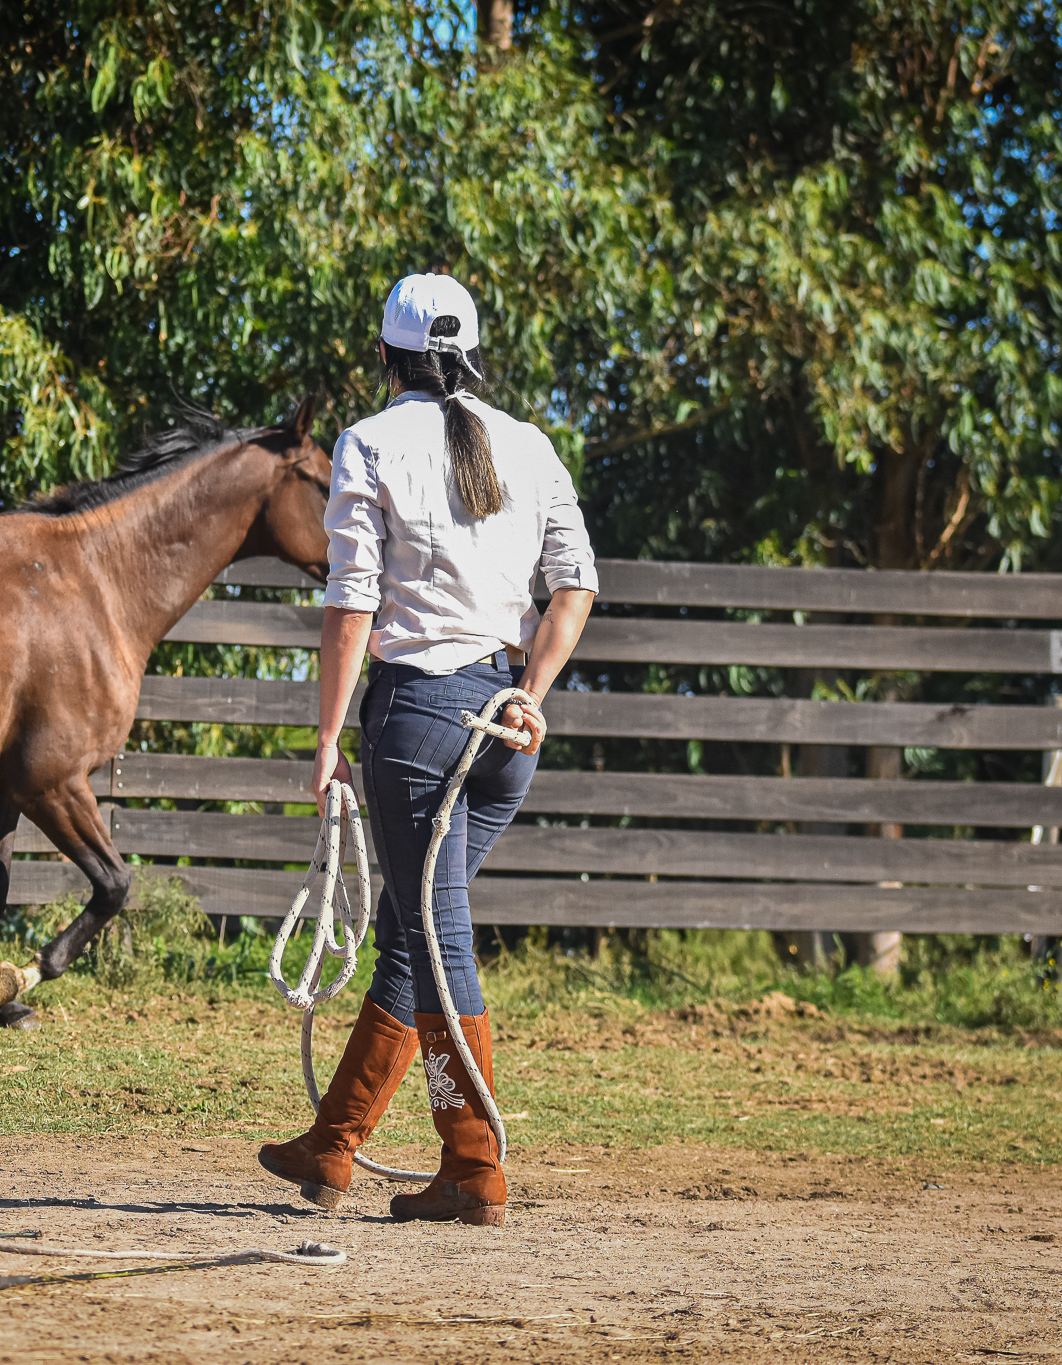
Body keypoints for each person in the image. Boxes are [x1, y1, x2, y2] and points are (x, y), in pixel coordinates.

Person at [259, 273, 598, 1226]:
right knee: (413, 929)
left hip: (418, 720)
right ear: (474, 353)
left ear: (386, 355)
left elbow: (352, 603)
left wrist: (327, 737)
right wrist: (531, 696)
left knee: (438, 932)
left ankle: (474, 1163)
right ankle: (333, 1144)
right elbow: (575, 583)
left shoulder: (369, 442)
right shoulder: (529, 445)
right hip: (503, 725)